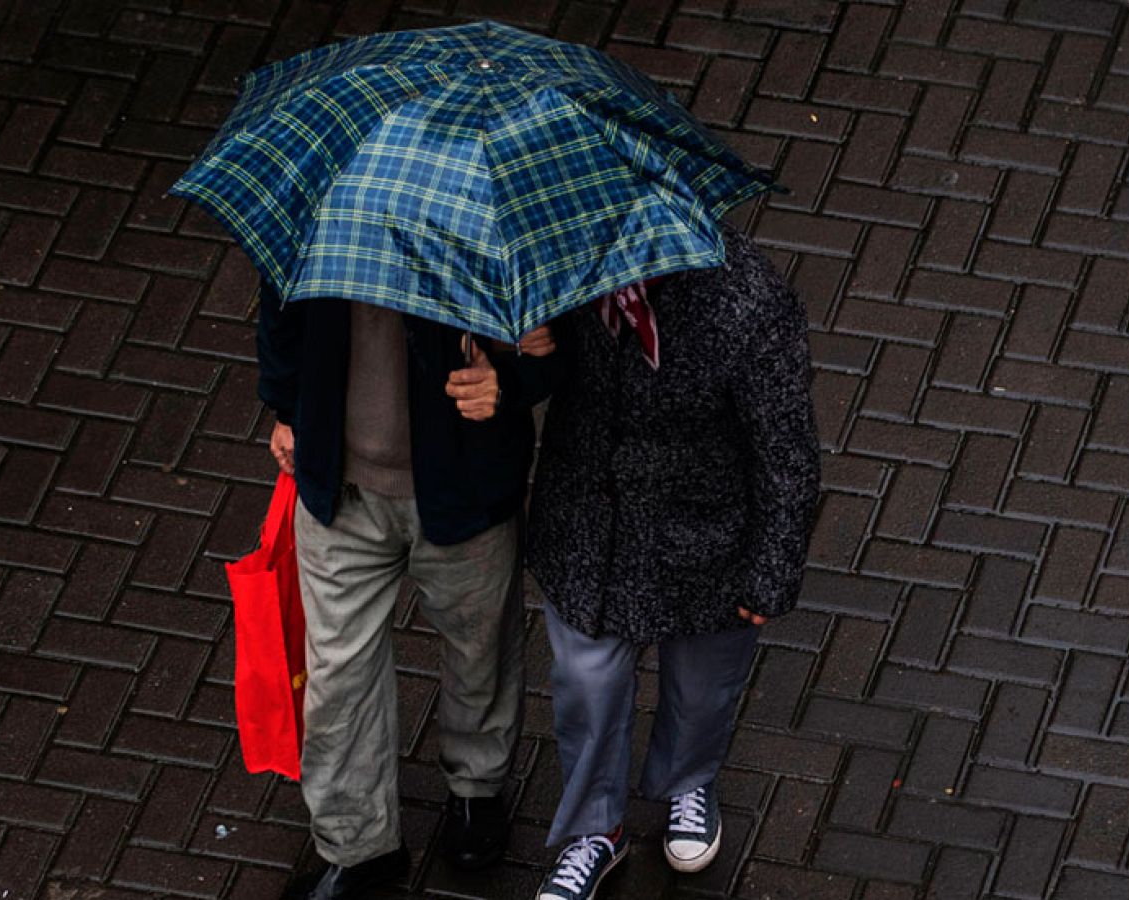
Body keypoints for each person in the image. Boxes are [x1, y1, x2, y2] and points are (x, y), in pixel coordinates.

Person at [523, 222, 820, 900]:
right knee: (586, 683)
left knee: (701, 684)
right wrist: (524, 354)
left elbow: (787, 453)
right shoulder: (560, 257)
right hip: (592, 520)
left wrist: (770, 570)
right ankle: (595, 829)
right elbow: (535, 376)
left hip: (707, 529)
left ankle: (689, 782)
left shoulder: (746, 299)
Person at [258, 282, 560, 900]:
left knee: (480, 651)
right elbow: (281, 293)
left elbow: (564, 347)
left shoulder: (495, 204)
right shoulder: (330, 201)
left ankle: (477, 790)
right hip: (337, 487)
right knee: (337, 674)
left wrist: (513, 380)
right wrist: (285, 407)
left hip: (467, 489)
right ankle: (356, 844)